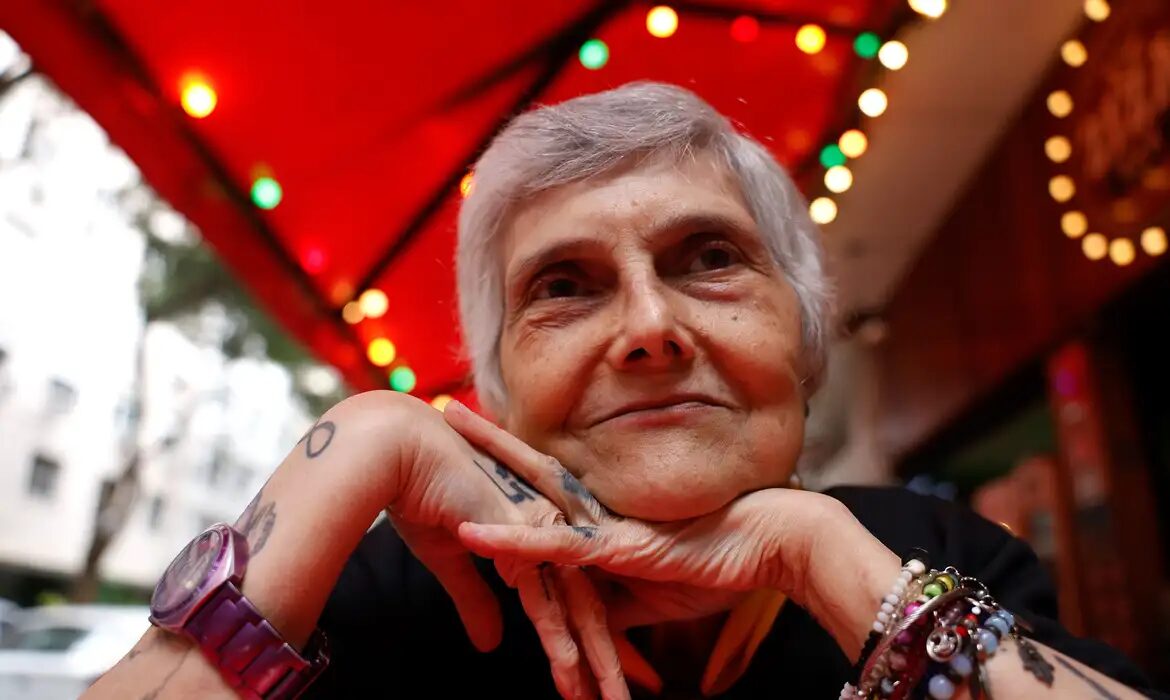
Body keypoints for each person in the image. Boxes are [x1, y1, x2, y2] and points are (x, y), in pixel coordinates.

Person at [85, 82, 1167, 700]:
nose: (650, 327)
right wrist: (354, 447)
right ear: (499, 389)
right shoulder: (404, 591)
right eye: (563, 287)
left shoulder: (929, 552)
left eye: (710, 258)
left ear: (802, 339)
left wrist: (819, 559)